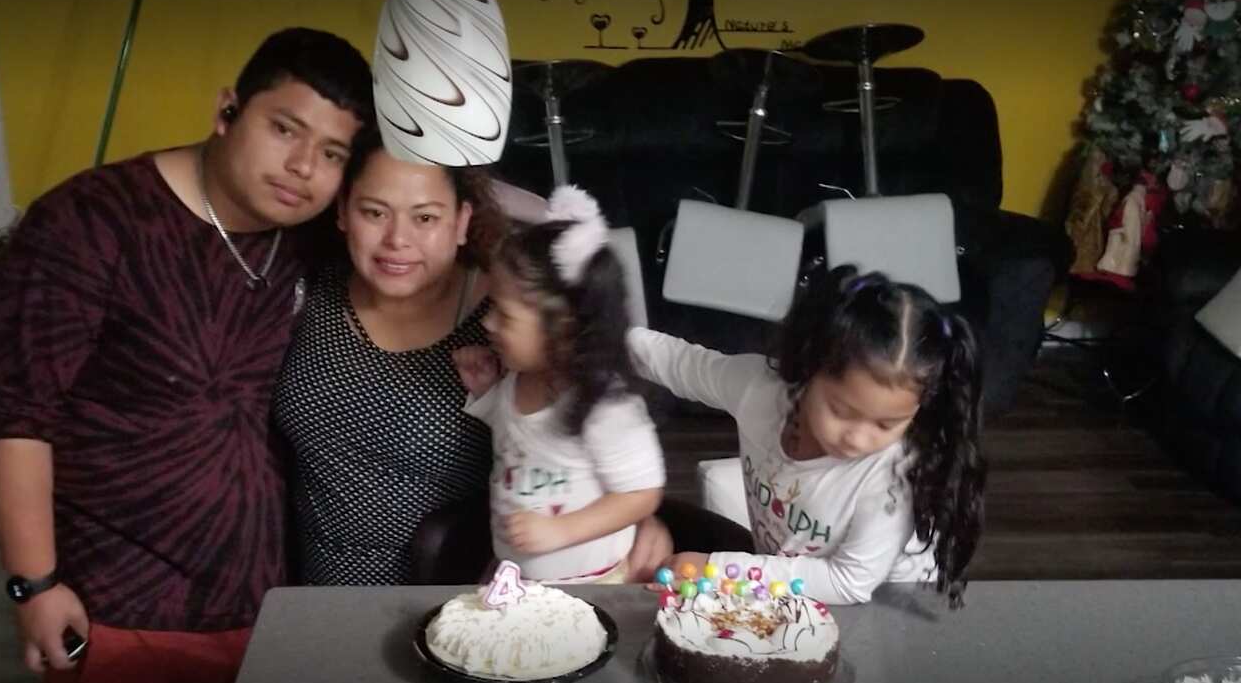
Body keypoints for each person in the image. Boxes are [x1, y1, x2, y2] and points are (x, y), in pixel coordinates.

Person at [0, 28, 374, 683]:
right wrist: (33, 584)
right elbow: (15, 416)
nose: (303, 167)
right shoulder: (88, 223)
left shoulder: (309, 243)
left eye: (332, 153)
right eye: (284, 130)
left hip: (275, 602)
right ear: (227, 111)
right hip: (121, 606)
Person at [272, 143, 674, 586]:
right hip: (315, 581)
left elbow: (609, 454)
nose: (398, 239)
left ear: (462, 221)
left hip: (457, 582)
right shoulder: (300, 293)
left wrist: (633, 520)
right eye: (374, 212)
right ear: (343, 211)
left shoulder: (517, 314)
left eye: (425, 217)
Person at [635, 265, 988, 608]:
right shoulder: (760, 389)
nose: (858, 439)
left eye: (886, 425)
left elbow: (848, 582)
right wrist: (599, 332)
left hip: (885, 604)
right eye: (842, 411)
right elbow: (680, 363)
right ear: (806, 370)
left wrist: (717, 569)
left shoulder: (893, 478)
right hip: (795, 581)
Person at [453, 185, 664, 583]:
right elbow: (517, 440)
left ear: (564, 329)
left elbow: (642, 494)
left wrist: (560, 531)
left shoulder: (608, 408)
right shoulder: (517, 379)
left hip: (592, 588)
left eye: (504, 314)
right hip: (516, 577)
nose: (487, 323)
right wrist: (485, 393)